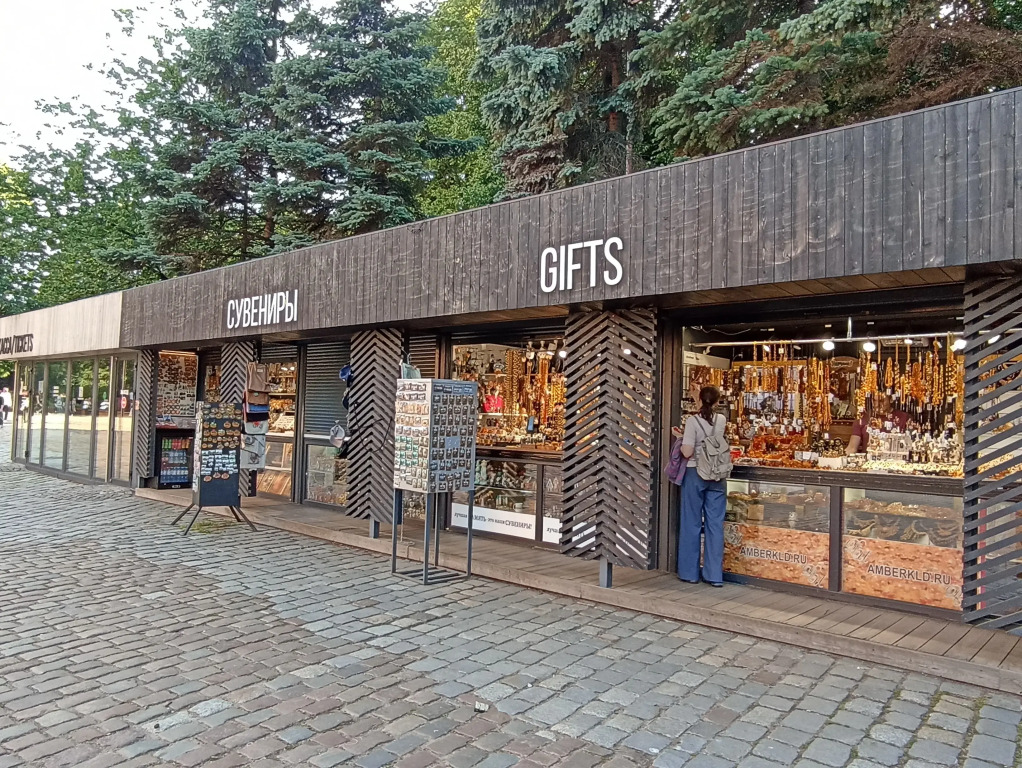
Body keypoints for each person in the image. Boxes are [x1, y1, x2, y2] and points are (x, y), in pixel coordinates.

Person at [677, 386, 728, 587]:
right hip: (717, 475)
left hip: (695, 473)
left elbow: (687, 452)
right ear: (717, 402)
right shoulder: (721, 420)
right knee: (715, 524)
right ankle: (714, 575)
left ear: (700, 399)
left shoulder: (692, 422)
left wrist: (680, 438)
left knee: (692, 522)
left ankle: (690, 572)